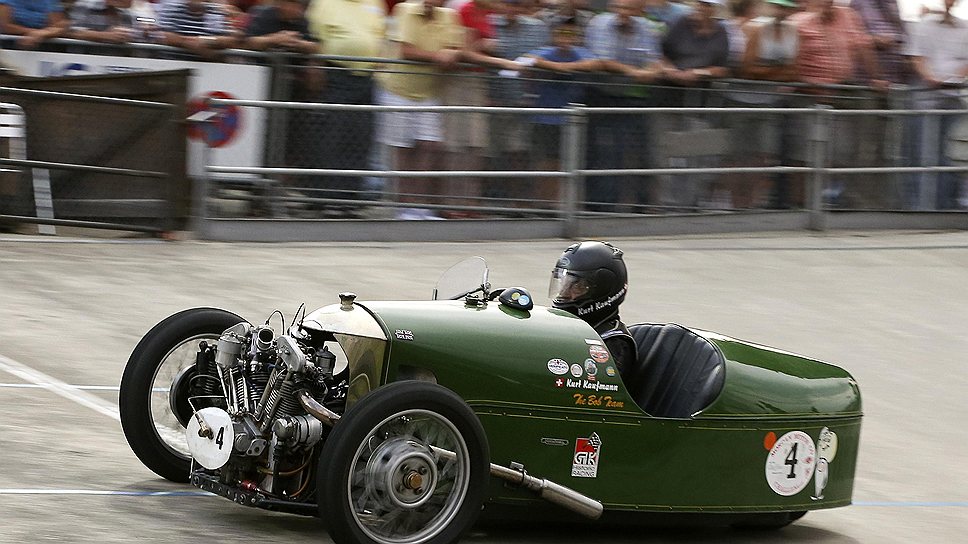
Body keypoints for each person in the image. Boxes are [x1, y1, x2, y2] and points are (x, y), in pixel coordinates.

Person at [904, 0, 968, 209]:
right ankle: (921, 205)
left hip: (951, 100)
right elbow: (916, 57)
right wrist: (931, 79)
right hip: (926, 102)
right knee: (923, 152)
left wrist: (952, 78)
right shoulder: (925, 25)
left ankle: (942, 204)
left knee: (943, 153)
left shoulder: (964, 28)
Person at [549, 241, 637, 376]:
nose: (563, 294)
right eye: (563, 284)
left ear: (602, 291)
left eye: (577, 287)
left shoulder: (613, 344)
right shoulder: (571, 329)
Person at [157, 0, 238, 58]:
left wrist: (204, 41)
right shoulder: (173, 8)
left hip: (209, 66)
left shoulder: (216, 11)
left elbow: (229, 40)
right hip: (173, 62)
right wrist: (189, 44)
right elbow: (165, 35)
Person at [0, 0, 69, 49]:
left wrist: (42, 33)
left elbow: (59, 26)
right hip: (11, 44)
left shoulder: (50, 1)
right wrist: (34, 32)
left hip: (45, 44)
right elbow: (5, 26)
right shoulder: (5, 1)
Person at [69, 0, 139, 45]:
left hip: (115, 63)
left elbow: (135, 37)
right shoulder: (85, 5)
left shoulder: (128, 14)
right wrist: (105, 35)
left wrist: (127, 37)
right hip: (84, 61)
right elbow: (71, 32)